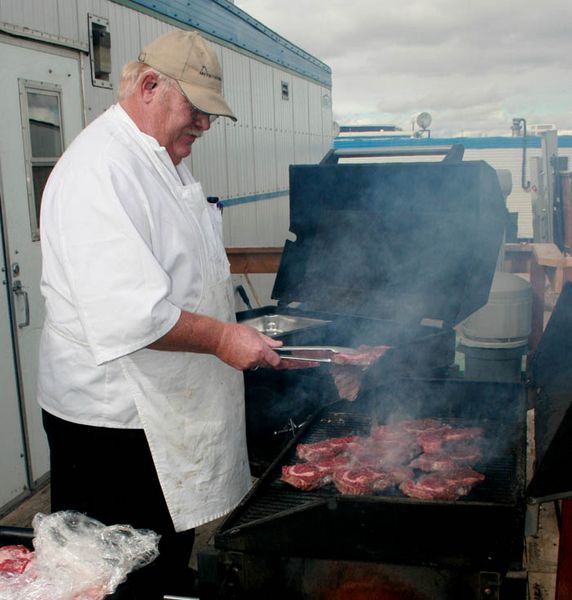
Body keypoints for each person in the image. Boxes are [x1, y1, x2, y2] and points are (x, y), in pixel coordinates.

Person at [37, 29, 283, 598]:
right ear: (149, 86)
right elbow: (130, 312)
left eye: (211, 116)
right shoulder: (101, 169)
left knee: (160, 563)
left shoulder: (159, 159)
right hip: (111, 424)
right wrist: (223, 338)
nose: (203, 126)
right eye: (196, 110)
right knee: (111, 579)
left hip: (158, 412)